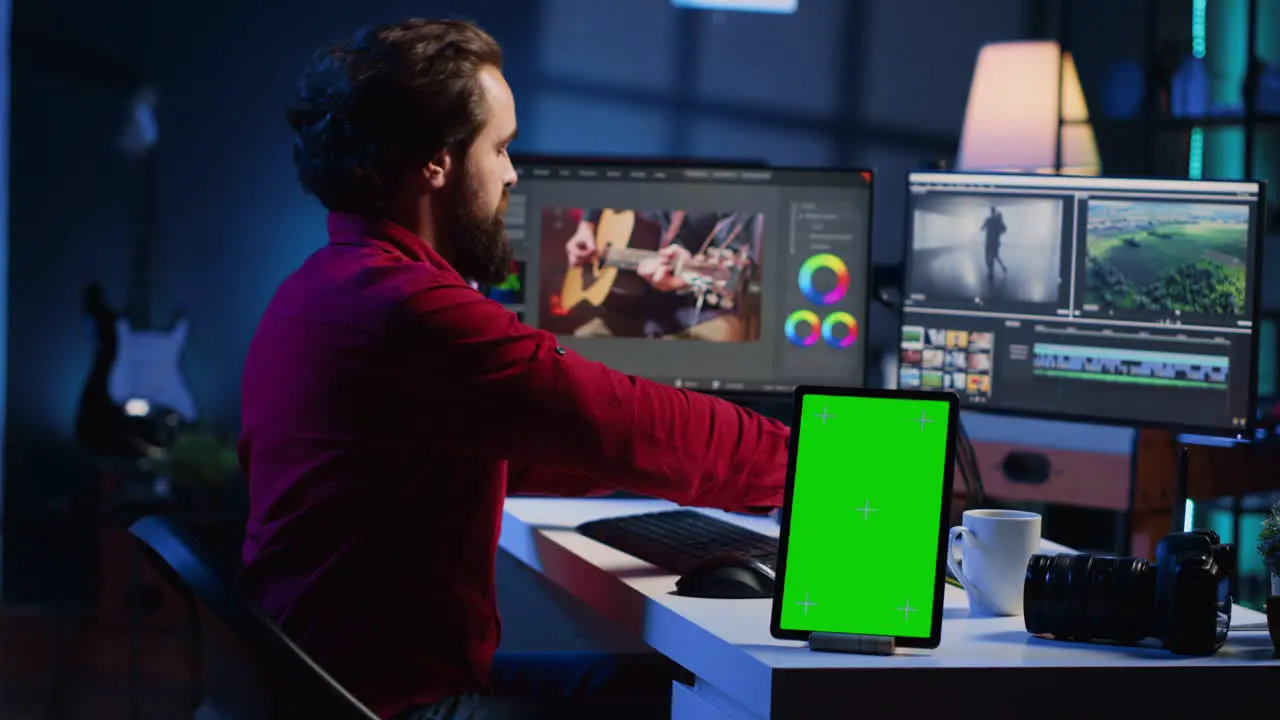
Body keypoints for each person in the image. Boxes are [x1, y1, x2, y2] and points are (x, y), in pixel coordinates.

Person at [238, 18, 791, 720]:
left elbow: (538, 446)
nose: (511, 174)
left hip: (327, 684)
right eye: (499, 148)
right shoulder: (412, 312)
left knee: (670, 697)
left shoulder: (324, 287)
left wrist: (736, 490)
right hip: (389, 706)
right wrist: (821, 466)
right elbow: (625, 424)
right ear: (437, 161)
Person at [563, 210, 761, 340]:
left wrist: (684, 278)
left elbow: (736, 270)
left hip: (694, 311)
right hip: (632, 308)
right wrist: (586, 225)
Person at [981, 205, 1008, 278]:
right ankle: (997, 269)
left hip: (989, 241)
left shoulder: (989, 220)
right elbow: (1004, 229)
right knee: (994, 256)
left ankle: (991, 271)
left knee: (989, 257)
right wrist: (999, 233)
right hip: (995, 241)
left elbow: (982, 228)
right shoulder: (997, 221)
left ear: (991, 211)